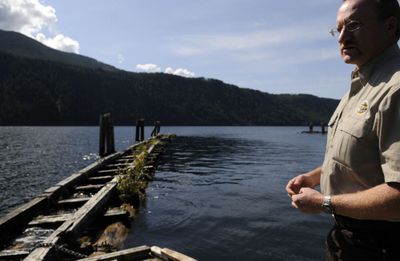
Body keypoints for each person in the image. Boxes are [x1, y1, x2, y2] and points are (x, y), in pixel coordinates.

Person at [285, 0, 400, 260]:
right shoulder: (361, 86)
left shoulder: (395, 89)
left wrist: (324, 202)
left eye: (354, 25)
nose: (343, 37)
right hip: (351, 240)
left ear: (390, 26)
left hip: (382, 245)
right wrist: (313, 177)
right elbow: (360, 158)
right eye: (338, 29)